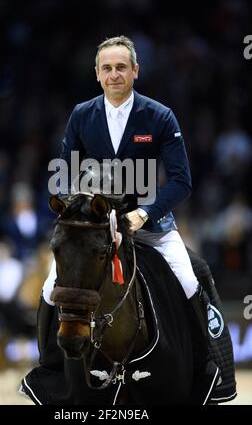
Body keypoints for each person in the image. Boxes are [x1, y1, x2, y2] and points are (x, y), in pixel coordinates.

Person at [39, 36, 219, 381]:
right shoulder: (81, 115)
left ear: (135, 71)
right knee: (50, 288)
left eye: (121, 67)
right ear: (97, 74)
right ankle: (49, 368)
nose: (114, 74)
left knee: (188, 280)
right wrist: (77, 204)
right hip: (96, 224)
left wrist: (144, 213)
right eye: (107, 68)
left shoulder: (160, 116)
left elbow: (182, 181)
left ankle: (205, 368)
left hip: (149, 223)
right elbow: (64, 172)